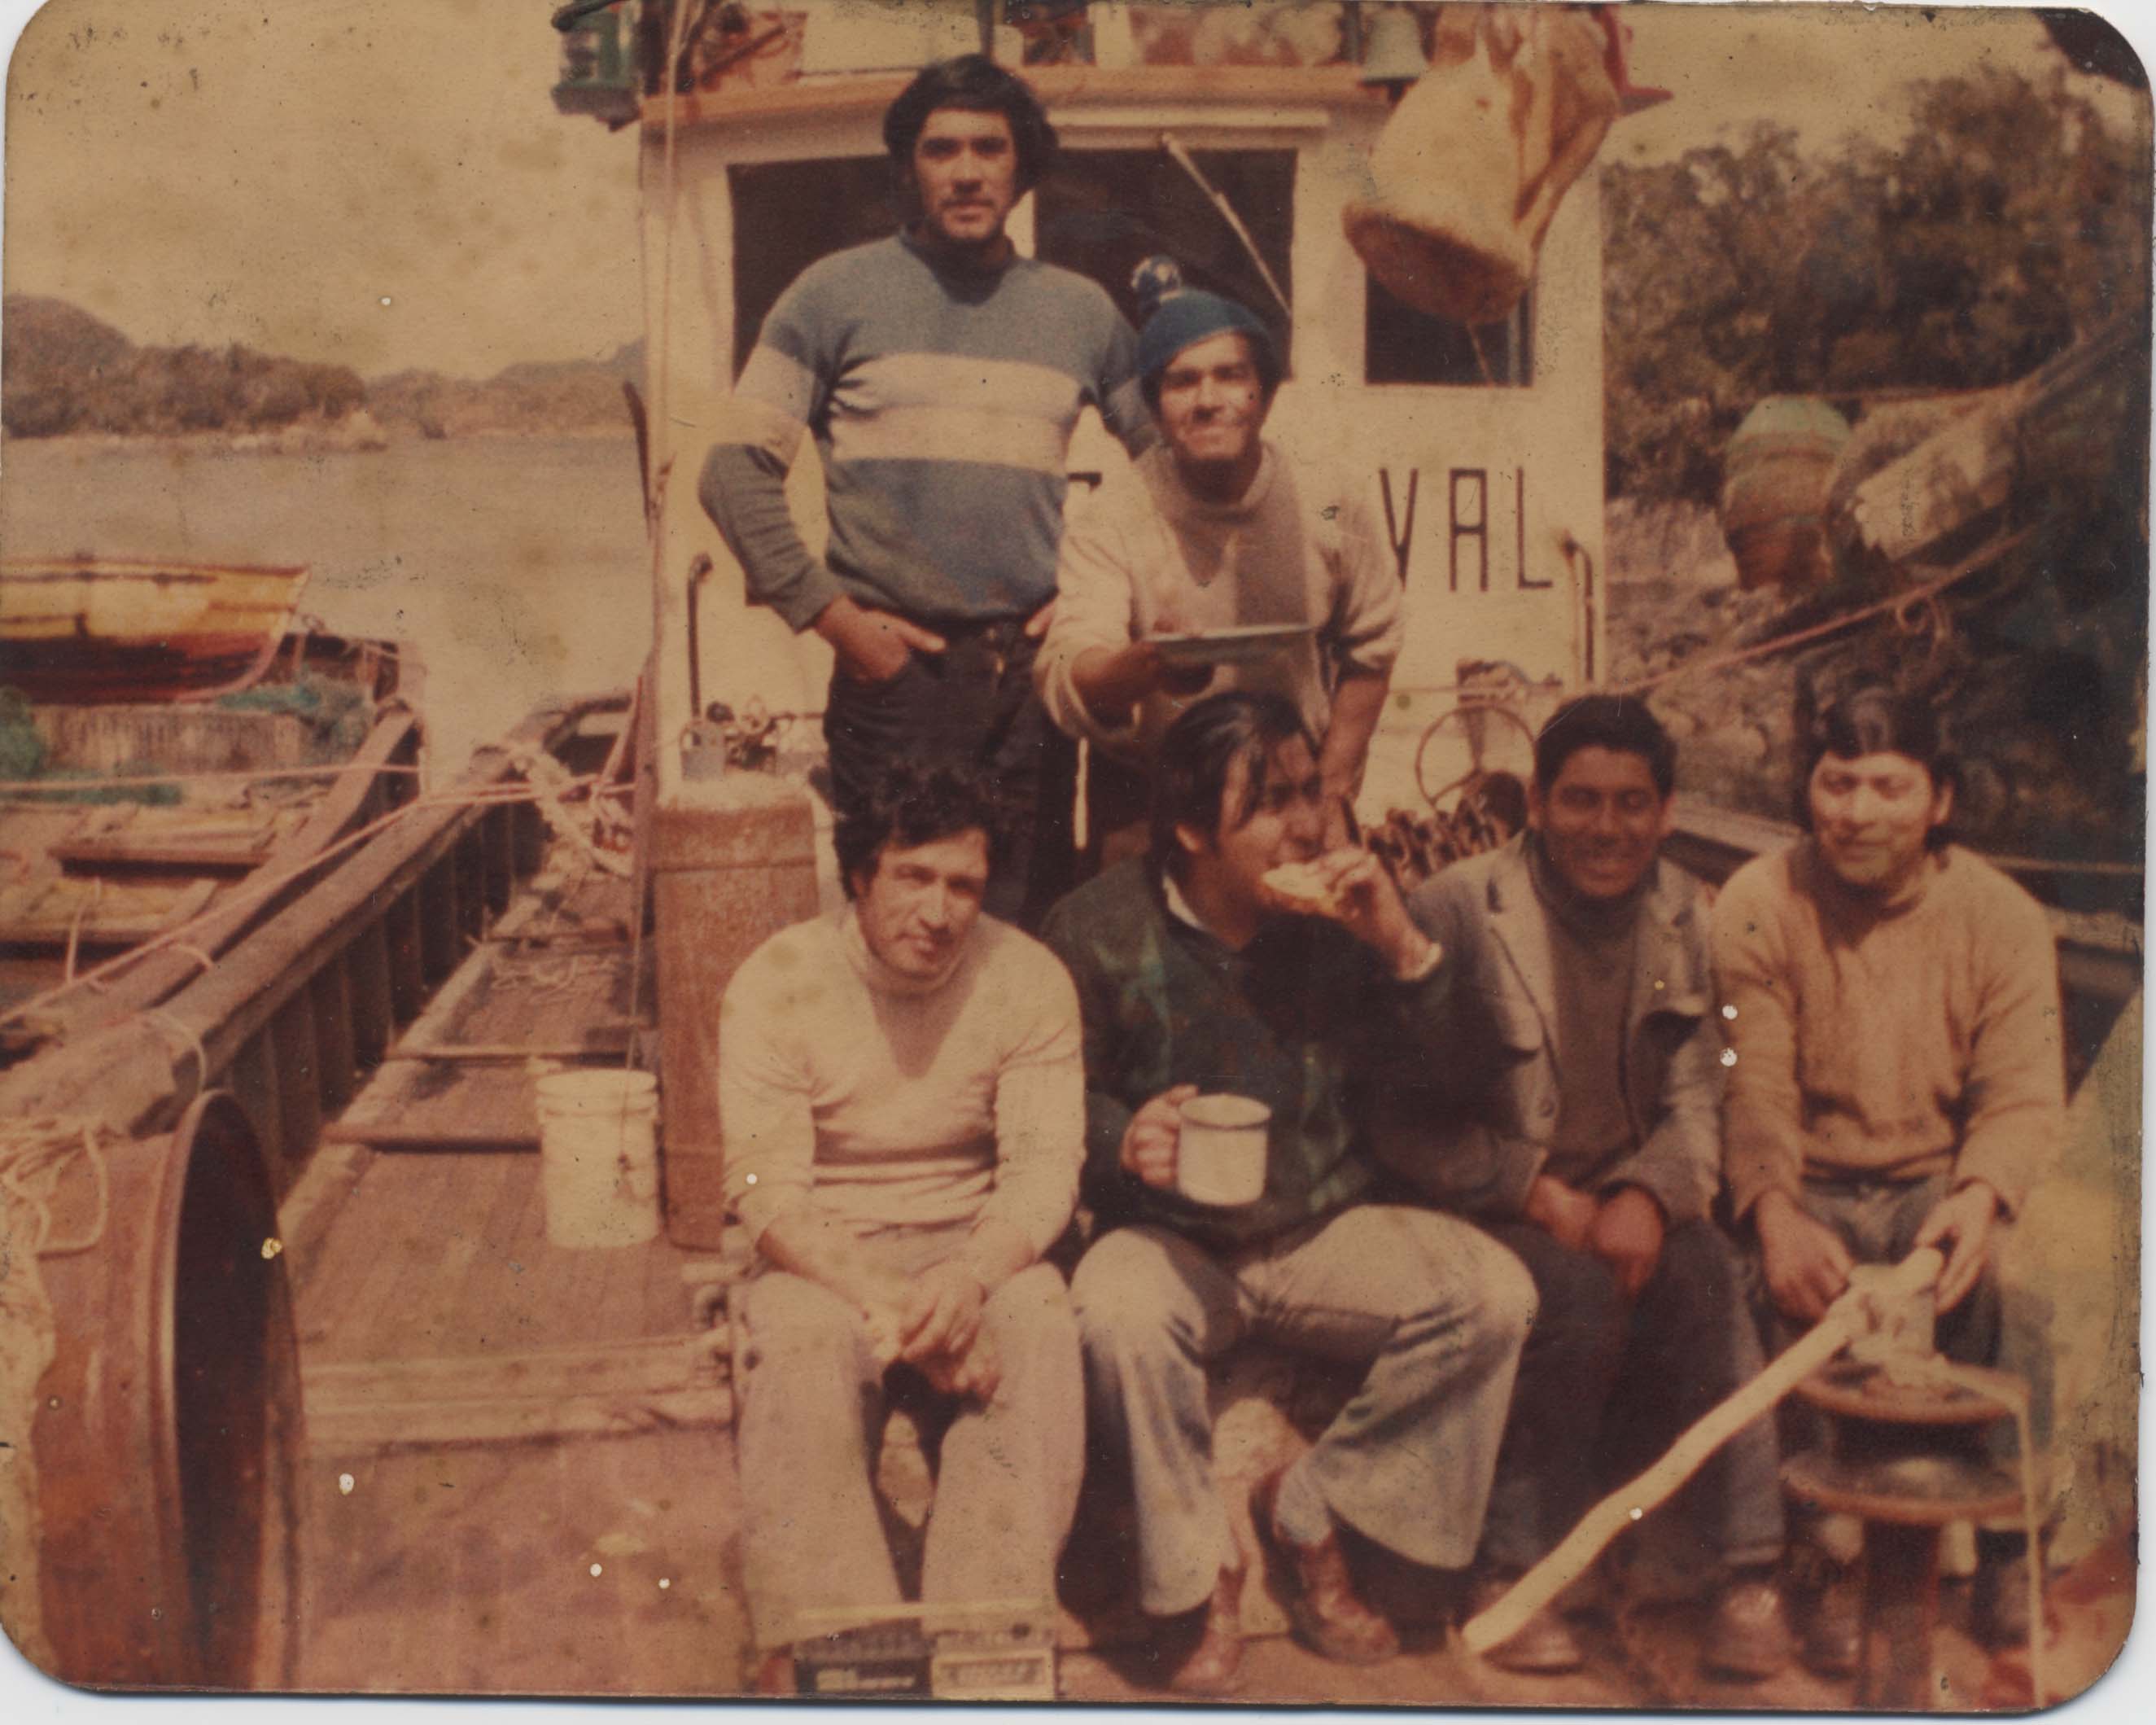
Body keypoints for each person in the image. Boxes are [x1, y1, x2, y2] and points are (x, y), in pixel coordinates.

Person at [1040, 691, 1536, 1695]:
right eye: (1270, 802)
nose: (1309, 824)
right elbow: (1046, 1100)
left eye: (1312, 791)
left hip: (1320, 1229)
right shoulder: (1094, 930)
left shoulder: (1345, 921)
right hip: (1172, 1240)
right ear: (1189, 829)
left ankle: (1317, 1502)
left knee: (1494, 1296)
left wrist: (1402, 947)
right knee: (1115, 1310)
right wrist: (1118, 1138)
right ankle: (1202, 1574)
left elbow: (1467, 1083)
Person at [1376, 694, 1791, 1678]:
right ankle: (1514, 1572)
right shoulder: (1457, 909)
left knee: (1708, 1277)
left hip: (1622, 1194)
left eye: (1631, 804)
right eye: (1580, 802)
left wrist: (1650, 1193)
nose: (1607, 829)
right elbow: (1397, 1118)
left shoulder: (1684, 910)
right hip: (1488, 1199)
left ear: (1667, 809)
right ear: (1535, 803)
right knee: (1570, 1299)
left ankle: (1746, 1566)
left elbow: (1699, 1095)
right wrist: (1531, 1190)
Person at [700, 54, 1152, 927]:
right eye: (942, 149)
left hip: (1030, 682)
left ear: (1023, 166)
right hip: (893, 679)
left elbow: (1170, 473)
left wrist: (1100, 600)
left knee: (1027, 927)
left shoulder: (1082, 312)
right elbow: (730, 470)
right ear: (909, 166)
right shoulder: (833, 294)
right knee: (897, 930)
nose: (969, 170)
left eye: (991, 147)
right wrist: (839, 622)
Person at [1712, 681, 2064, 1666]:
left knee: (2019, 1274)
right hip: (1805, 1183)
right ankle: (1788, 1566)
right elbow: (1753, 1085)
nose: (1857, 812)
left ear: (1939, 799)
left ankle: (2009, 1549)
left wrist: (1980, 1195)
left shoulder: (2004, 918)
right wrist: (1774, 1210)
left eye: (1887, 786)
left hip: (1931, 1184)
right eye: (1837, 783)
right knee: (1743, 1289)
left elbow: (2024, 1091)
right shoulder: (1757, 904)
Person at [717, 760, 1087, 1688]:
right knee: (799, 1344)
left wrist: (964, 1282)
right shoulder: (776, 981)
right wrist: (906, 1316)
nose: (939, 910)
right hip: (827, 1252)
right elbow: (765, 1193)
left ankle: (987, 1648)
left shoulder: (1030, 979)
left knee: (1038, 1320)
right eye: (912, 876)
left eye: (963, 884)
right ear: (859, 875)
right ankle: (839, 1653)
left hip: (973, 1242)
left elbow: (1044, 1174)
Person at [1035, 261, 1401, 860]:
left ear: (1264, 393)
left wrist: (1330, 787)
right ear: (1153, 406)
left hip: (1292, 785)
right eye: (1181, 382)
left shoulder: (1330, 502)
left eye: (1230, 376)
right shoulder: (1112, 516)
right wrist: (1144, 667)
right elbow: (1071, 662)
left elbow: (1373, 643)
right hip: (1151, 795)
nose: (1207, 401)